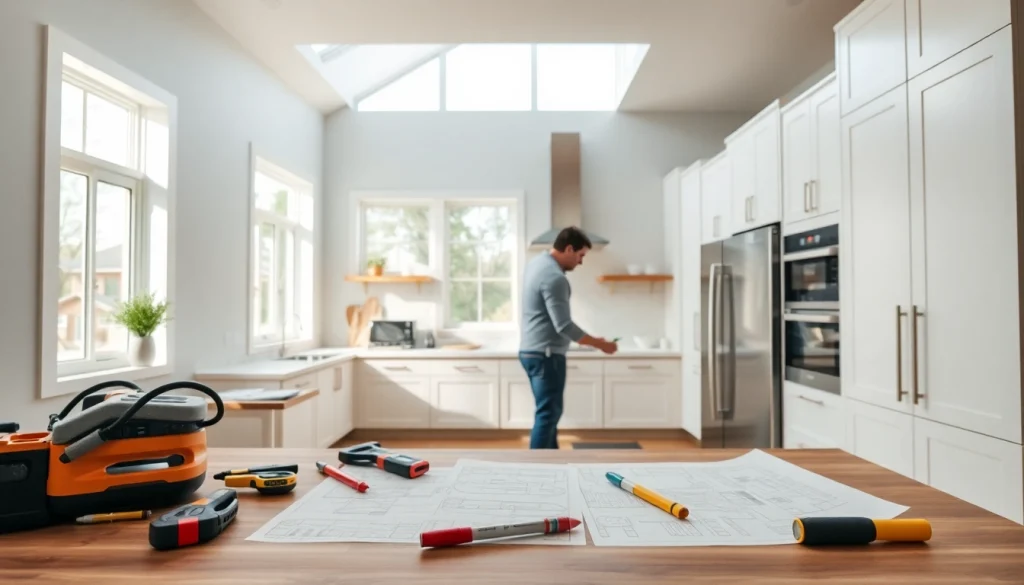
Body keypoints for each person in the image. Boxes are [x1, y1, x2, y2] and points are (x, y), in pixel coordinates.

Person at [519, 226, 618, 449]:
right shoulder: (554, 277)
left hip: (532, 350)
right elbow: (564, 326)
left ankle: (551, 464)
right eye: (581, 256)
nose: (581, 262)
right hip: (545, 355)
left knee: (548, 413)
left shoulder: (536, 264)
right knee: (547, 415)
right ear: (569, 248)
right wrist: (600, 344)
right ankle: (536, 470)